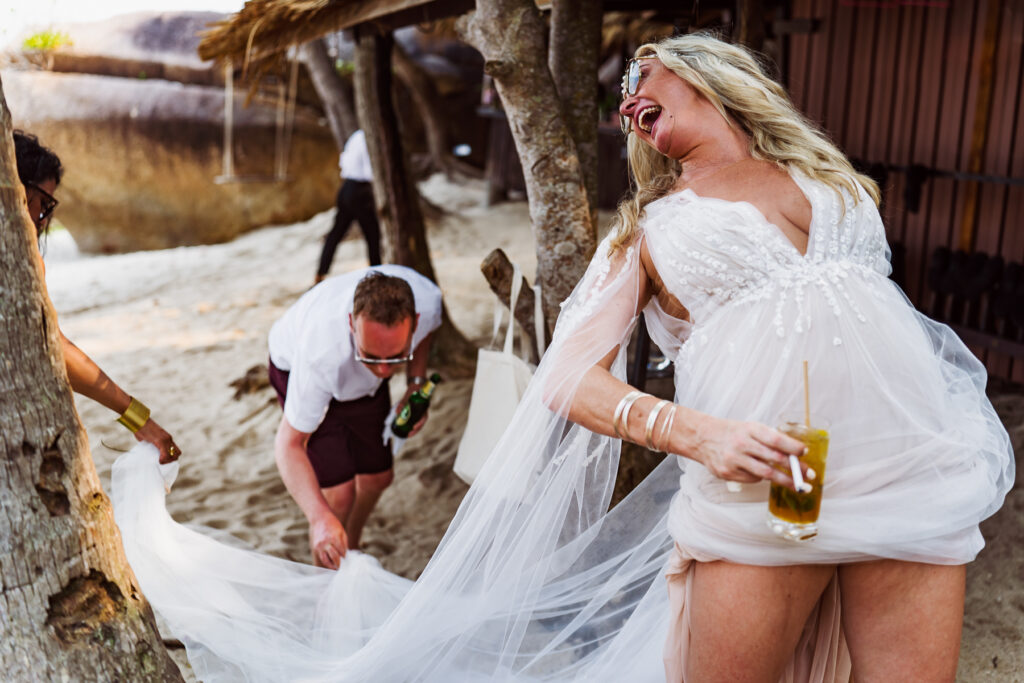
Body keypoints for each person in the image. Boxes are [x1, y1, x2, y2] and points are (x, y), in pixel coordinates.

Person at [108, 33, 1012, 682]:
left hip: (910, 465)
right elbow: (566, 377)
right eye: (624, 97)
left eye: (642, 75)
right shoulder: (648, 232)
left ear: (710, 79)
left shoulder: (839, 183)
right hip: (760, 486)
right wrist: (697, 435)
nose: (627, 99)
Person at [14, 130, 181, 464]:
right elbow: (53, 346)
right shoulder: (17, 261)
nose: (43, 219)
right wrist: (139, 419)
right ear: (17, 190)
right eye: (43, 204)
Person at [268, 265, 442, 567]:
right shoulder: (321, 355)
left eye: (395, 357)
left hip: (358, 383)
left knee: (378, 477)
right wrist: (318, 518)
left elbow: (424, 335)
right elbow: (289, 444)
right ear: (352, 323)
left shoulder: (427, 302)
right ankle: (327, 575)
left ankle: (353, 542)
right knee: (338, 496)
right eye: (372, 356)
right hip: (297, 366)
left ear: (414, 323)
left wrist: (415, 382)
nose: (385, 371)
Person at [315, 129, 381, 285]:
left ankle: (320, 273)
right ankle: (377, 274)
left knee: (336, 233)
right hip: (359, 190)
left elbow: (343, 161)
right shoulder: (367, 138)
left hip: (345, 188)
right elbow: (369, 171)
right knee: (372, 234)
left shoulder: (355, 136)